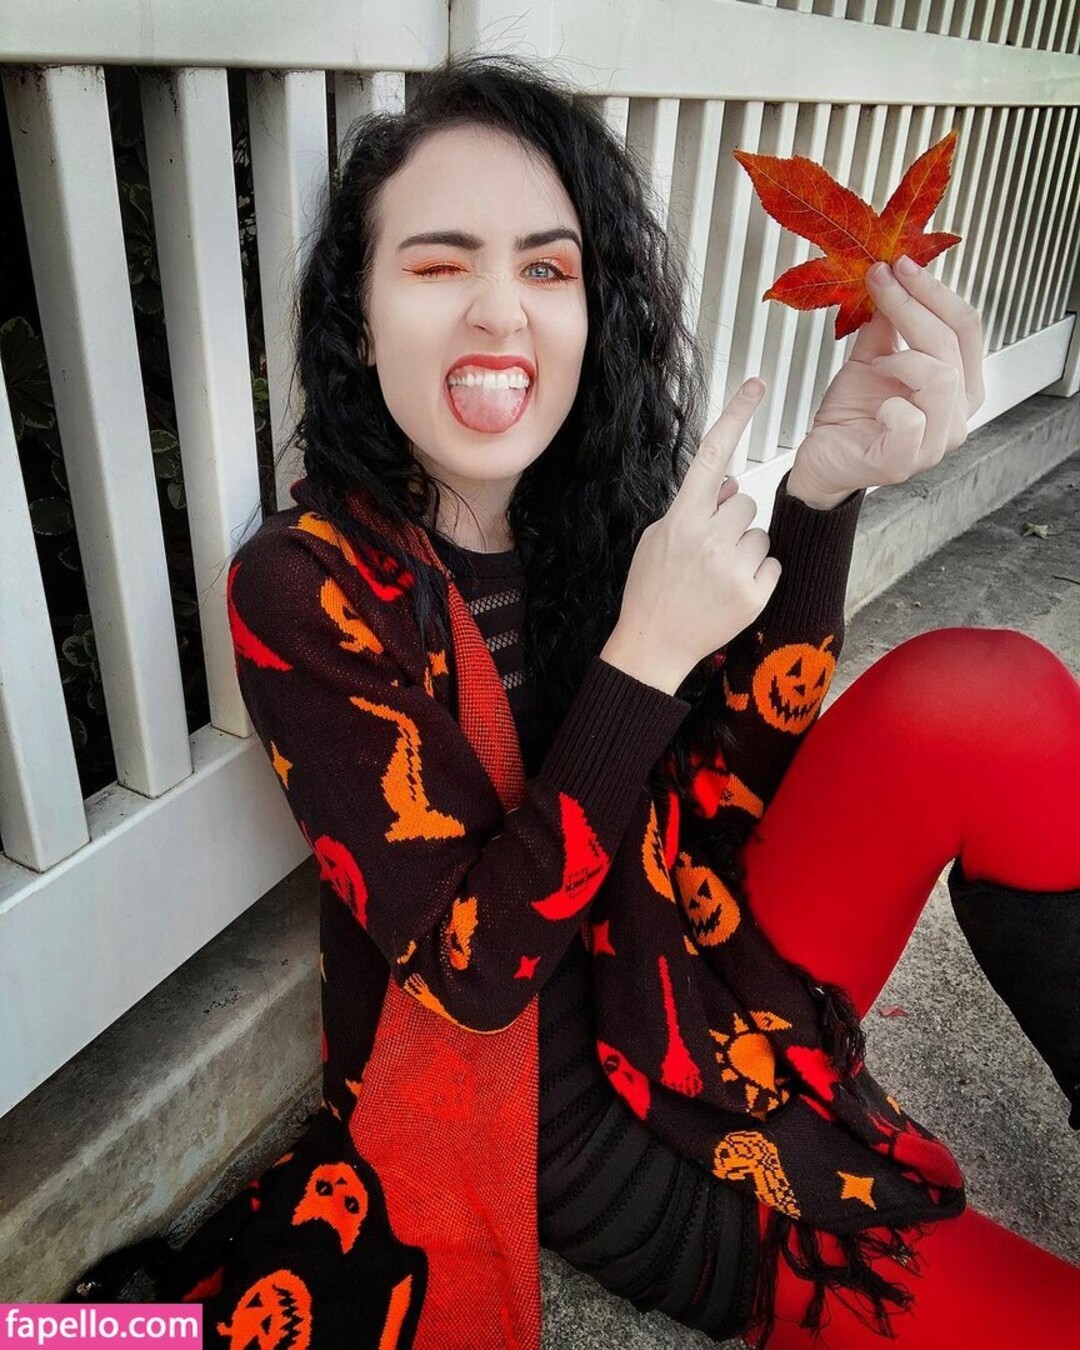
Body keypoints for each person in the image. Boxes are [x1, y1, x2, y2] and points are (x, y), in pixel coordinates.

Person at [77, 53, 1079, 1349]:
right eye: (438, 264)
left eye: (547, 269)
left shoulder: (599, 515)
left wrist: (821, 499)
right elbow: (471, 978)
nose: (499, 309)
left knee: (989, 689)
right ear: (360, 320)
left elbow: (727, 795)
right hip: (577, 1131)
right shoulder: (305, 586)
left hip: (689, 974)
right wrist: (641, 659)